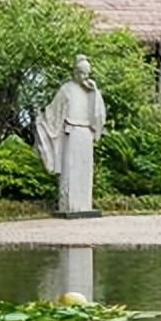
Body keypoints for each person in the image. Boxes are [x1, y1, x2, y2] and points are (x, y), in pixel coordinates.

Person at [34, 55, 106, 217]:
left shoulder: (91, 91)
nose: (84, 77)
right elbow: (53, 112)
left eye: (87, 74)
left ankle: (84, 205)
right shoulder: (66, 89)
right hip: (71, 133)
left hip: (86, 133)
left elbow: (99, 114)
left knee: (85, 172)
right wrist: (42, 120)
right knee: (71, 172)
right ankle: (69, 205)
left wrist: (94, 94)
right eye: (81, 73)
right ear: (75, 72)